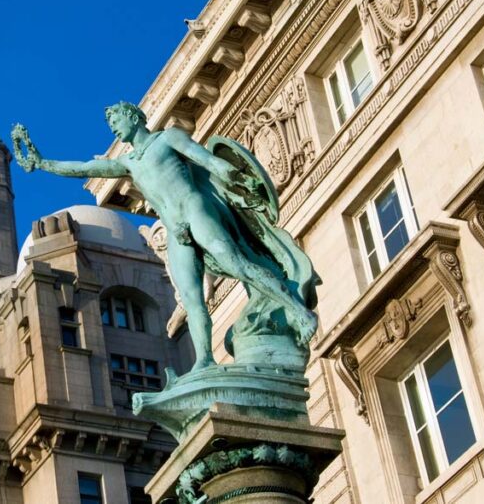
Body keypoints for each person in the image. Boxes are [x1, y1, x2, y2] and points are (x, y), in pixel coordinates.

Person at [16, 102, 317, 372]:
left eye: (117, 121)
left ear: (133, 117)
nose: (114, 128)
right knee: (191, 298)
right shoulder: (129, 163)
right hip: (176, 230)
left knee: (237, 265)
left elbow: (206, 161)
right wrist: (43, 163)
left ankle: (299, 312)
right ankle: (205, 361)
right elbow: (84, 168)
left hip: (194, 209)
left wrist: (234, 177)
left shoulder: (167, 138)